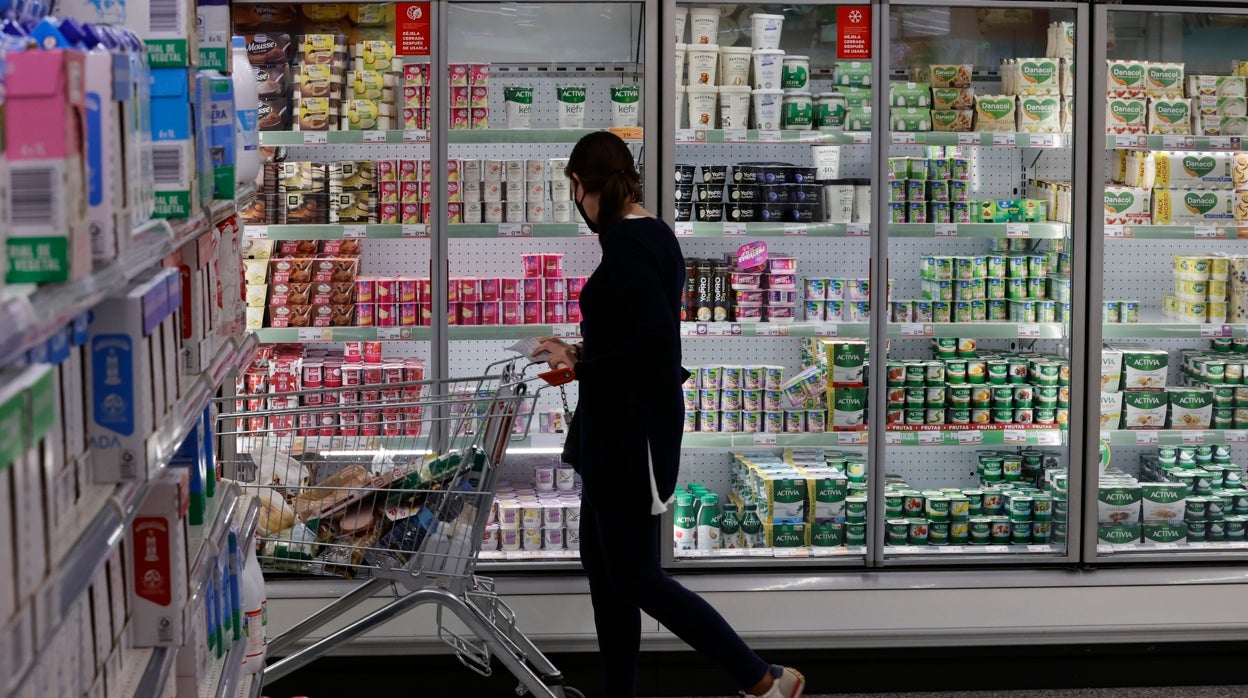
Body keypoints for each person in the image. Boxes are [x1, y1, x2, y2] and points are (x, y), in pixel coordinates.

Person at [532, 131, 805, 698]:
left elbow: (656, 344)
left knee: (633, 576)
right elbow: (635, 334)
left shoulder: (627, 245)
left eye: (576, 192)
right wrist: (579, 353)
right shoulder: (650, 231)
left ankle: (760, 679)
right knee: (605, 571)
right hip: (619, 424)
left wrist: (584, 367)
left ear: (583, 185)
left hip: (627, 432)